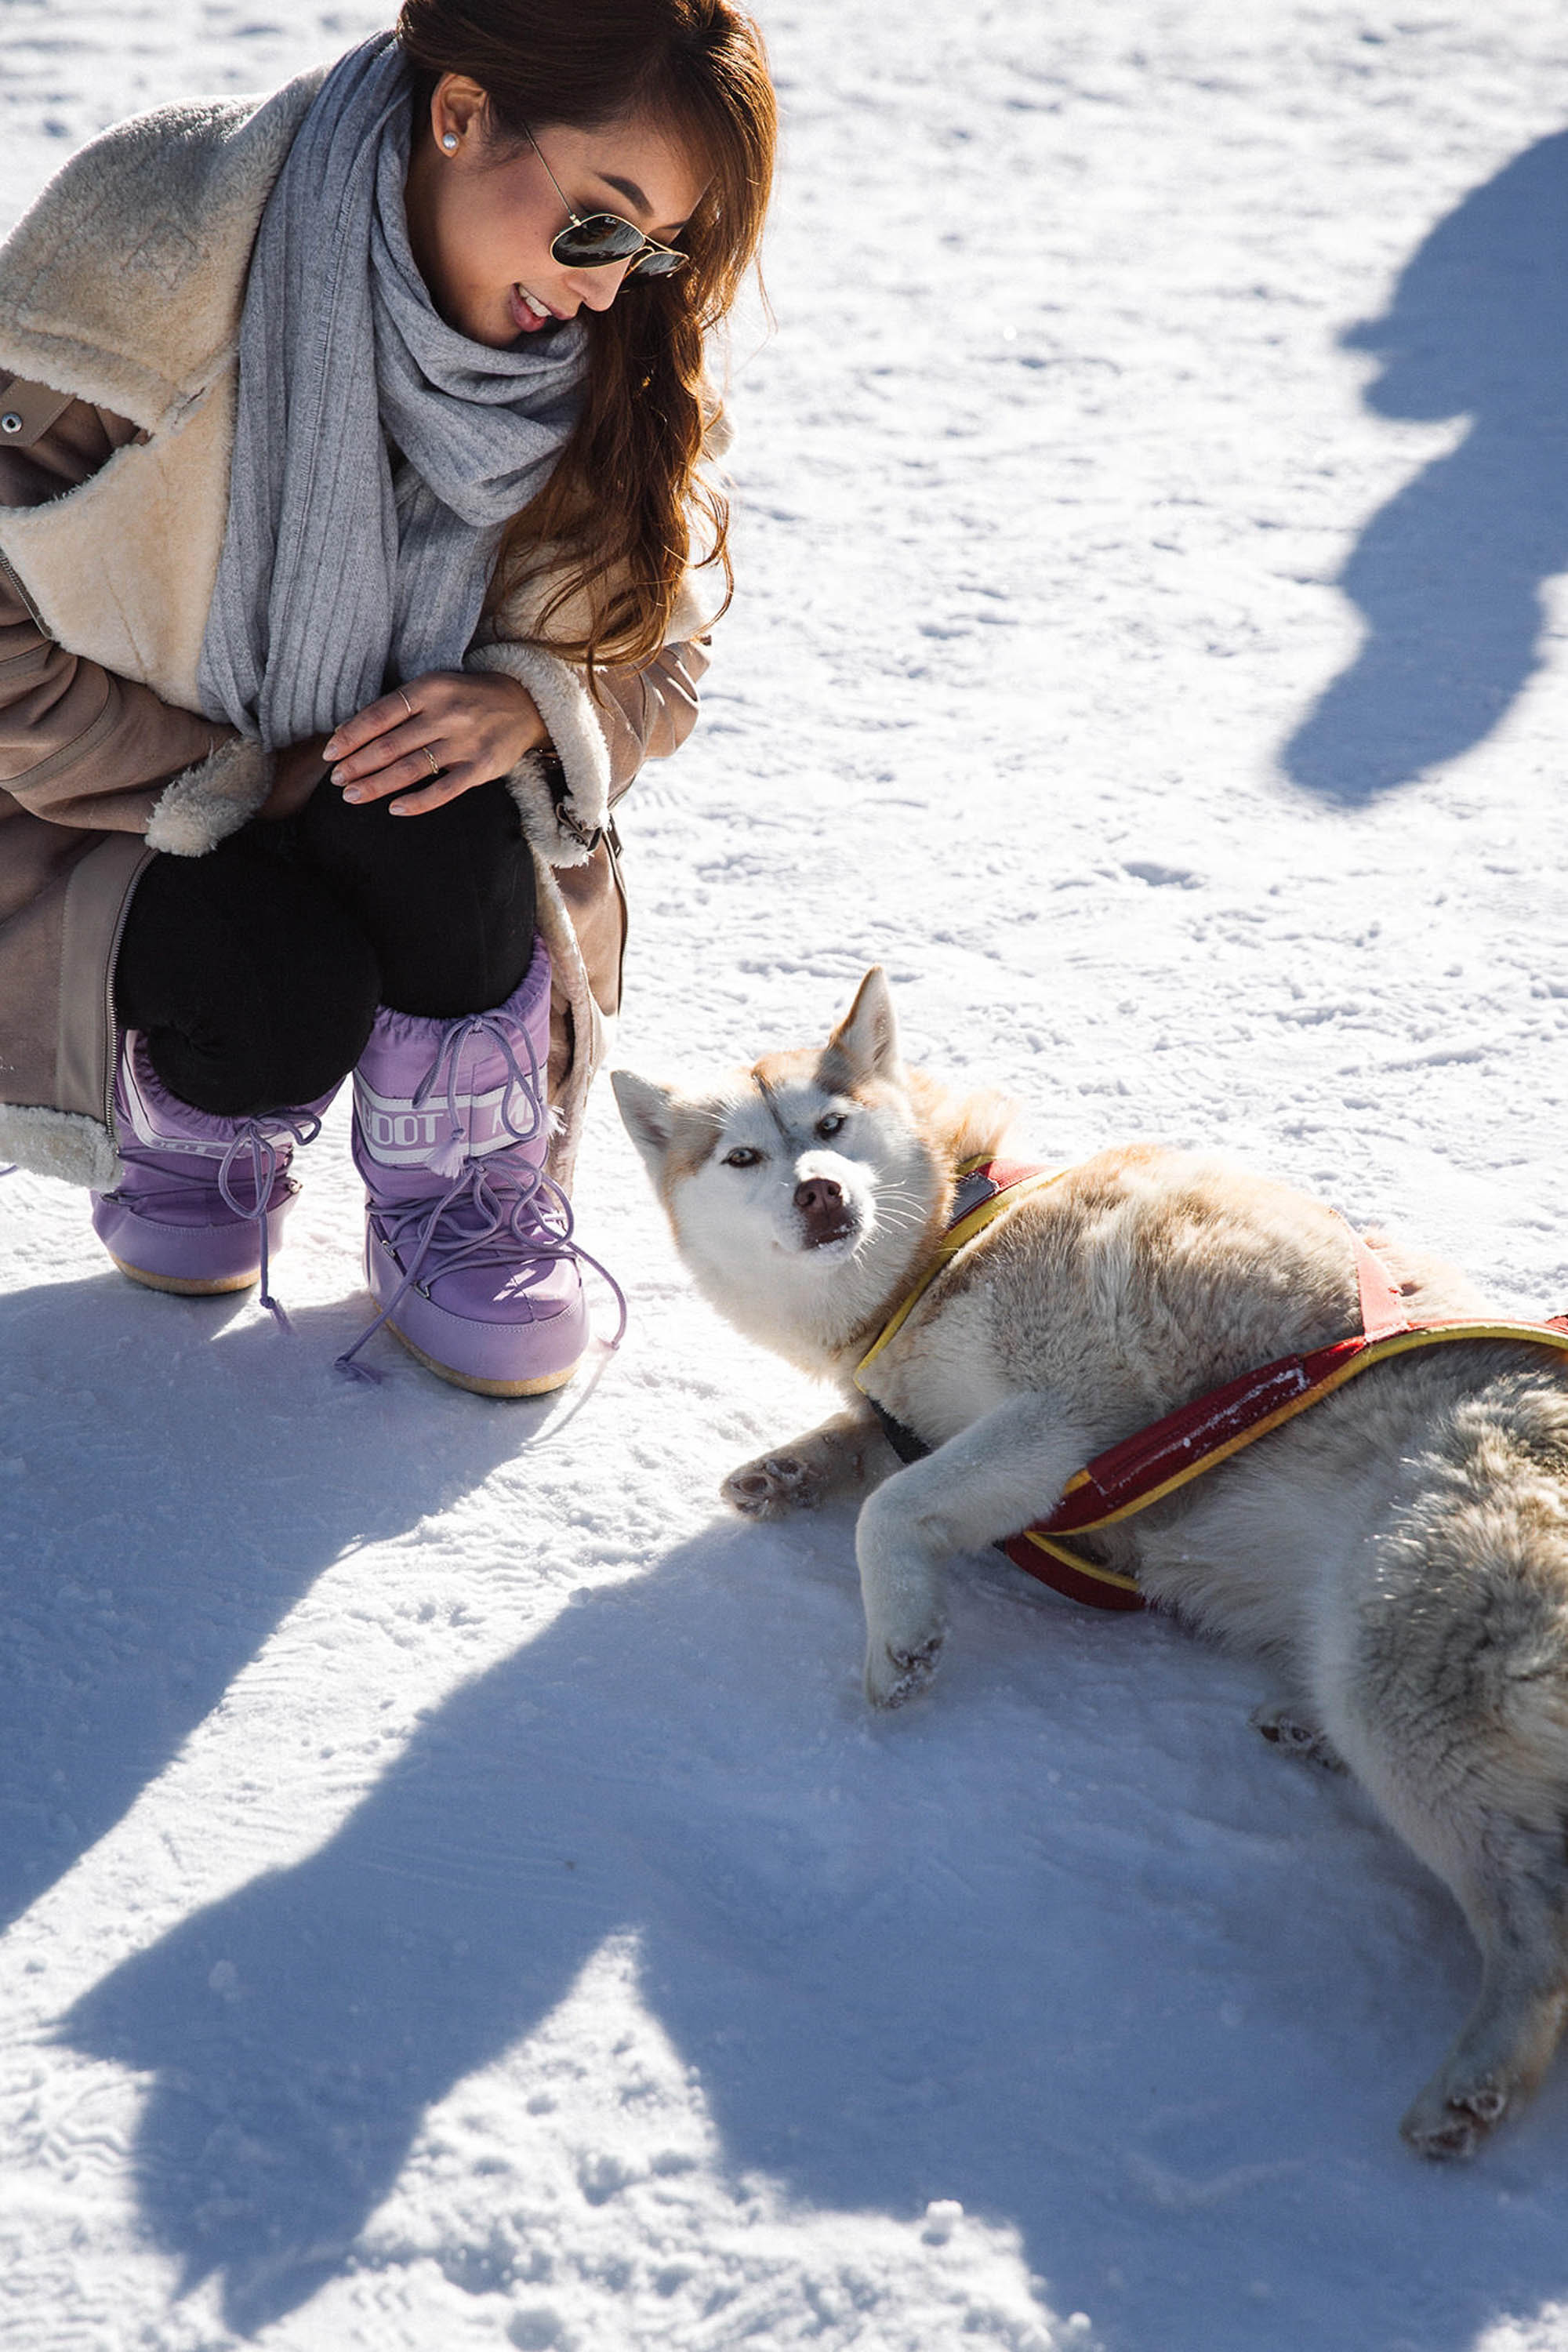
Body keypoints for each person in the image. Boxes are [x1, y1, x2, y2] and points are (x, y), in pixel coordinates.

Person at [0, 0, 775, 1395]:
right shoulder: (159, 237)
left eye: (655, 250)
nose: (608, 290)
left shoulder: (614, 355)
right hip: (120, 814)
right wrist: (226, 776)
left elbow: (667, 642)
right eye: (599, 225)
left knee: (449, 788)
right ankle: (202, 1110)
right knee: (277, 987)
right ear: (462, 113)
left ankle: (459, 1186)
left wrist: (538, 706)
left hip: (417, 829)